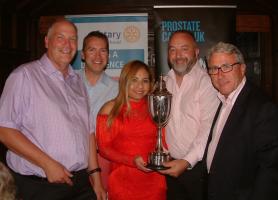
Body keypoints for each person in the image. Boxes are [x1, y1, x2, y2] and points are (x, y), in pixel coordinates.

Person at [0, 19, 106, 200]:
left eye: (72, 39)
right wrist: (47, 164)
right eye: (60, 37)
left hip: (80, 182)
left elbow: (88, 132)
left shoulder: (77, 82)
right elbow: (5, 130)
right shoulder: (23, 76)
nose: (67, 44)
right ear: (47, 42)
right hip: (41, 184)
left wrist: (96, 178)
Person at [202, 41, 278, 200]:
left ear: (242, 69)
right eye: (214, 69)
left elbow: (270, 170)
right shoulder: (224, 99)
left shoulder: (263, 107)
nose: (219, 75)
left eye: (226, 67)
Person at [159, 30, 219, 200]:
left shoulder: (207, 83)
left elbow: (208, 130)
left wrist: (186, 161)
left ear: (196, 51)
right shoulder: (163, 82)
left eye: (184, 48)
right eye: (172, 49)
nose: (178, 55)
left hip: (198, 170)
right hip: (169, 167)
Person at [96, 60, 166, 200]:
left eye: (145, 80)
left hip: (154, 183)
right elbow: (104, 149)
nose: (140, 86)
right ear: (124, 81)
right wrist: (131, 160)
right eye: (134, 80)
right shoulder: (110, 109)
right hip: (123, 184)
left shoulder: (155, 108)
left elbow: (163, 142)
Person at [76, 31, 118, 189]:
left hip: (103, 161)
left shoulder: (118, 90)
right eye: (92, 50)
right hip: (71, 161)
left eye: (103, 50)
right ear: (82, 55)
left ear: (108, 55)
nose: (98, 56)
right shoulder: (67, 82)